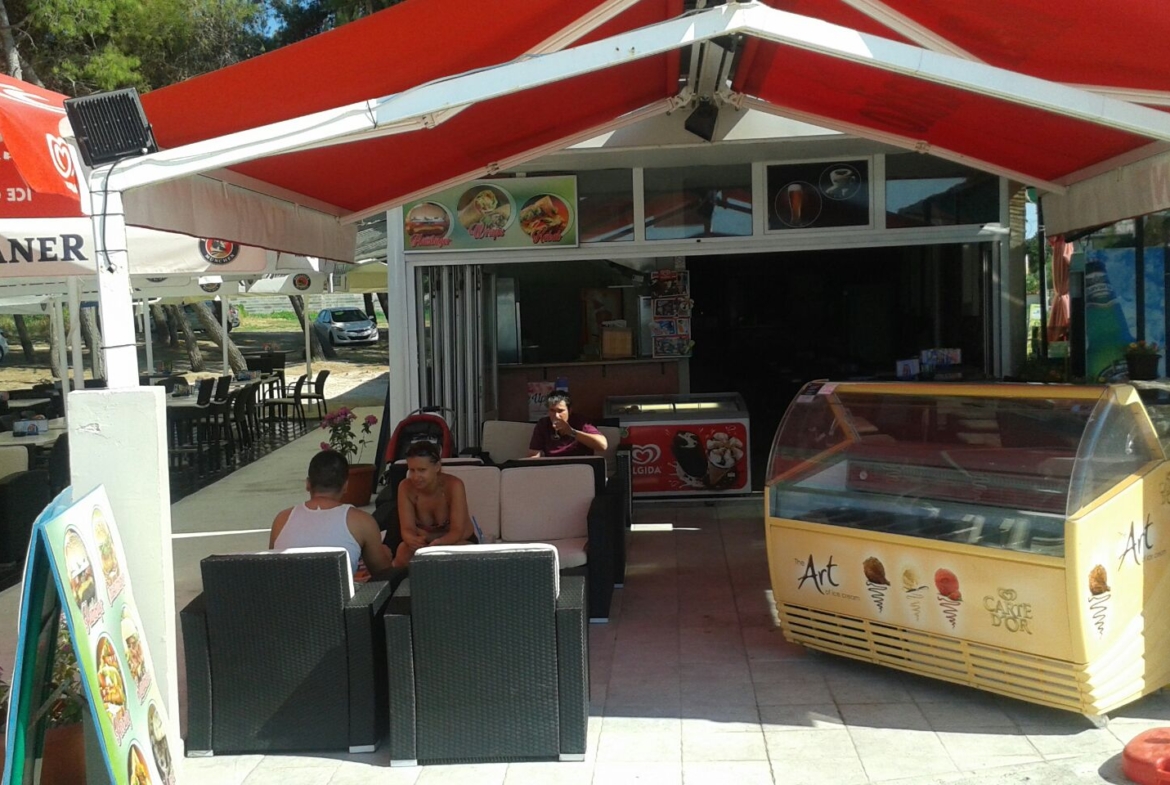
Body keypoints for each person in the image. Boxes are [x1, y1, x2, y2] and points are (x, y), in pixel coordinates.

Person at [269, 450, 394, 579]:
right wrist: (386, 556)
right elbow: (383, 575)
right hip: (337, 592)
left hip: (285, 592)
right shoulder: (361, 521)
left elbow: (270, 569)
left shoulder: (281, 520)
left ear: (308, 484)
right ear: (345, 486)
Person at [391, 440, 475, 567]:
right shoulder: (405, 487)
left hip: (457, 540)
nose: (416, 476)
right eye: (412, 470)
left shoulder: (454, 486)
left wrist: (438, 545)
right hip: (425, 543)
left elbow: (457, 531)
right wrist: (412, 540)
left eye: (422, 470)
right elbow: (407, 529)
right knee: (403, 551)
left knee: (459, 553)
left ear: (437, 467)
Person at [528, 390, 608, 458]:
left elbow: (603, 445)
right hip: (554, 467)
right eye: (552, 410)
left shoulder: (580, 422)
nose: (556, 415)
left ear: (569, 410)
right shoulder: (543, 424)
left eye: (560, 411)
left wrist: (571, 432)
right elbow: (534, 454)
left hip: (579, 465)